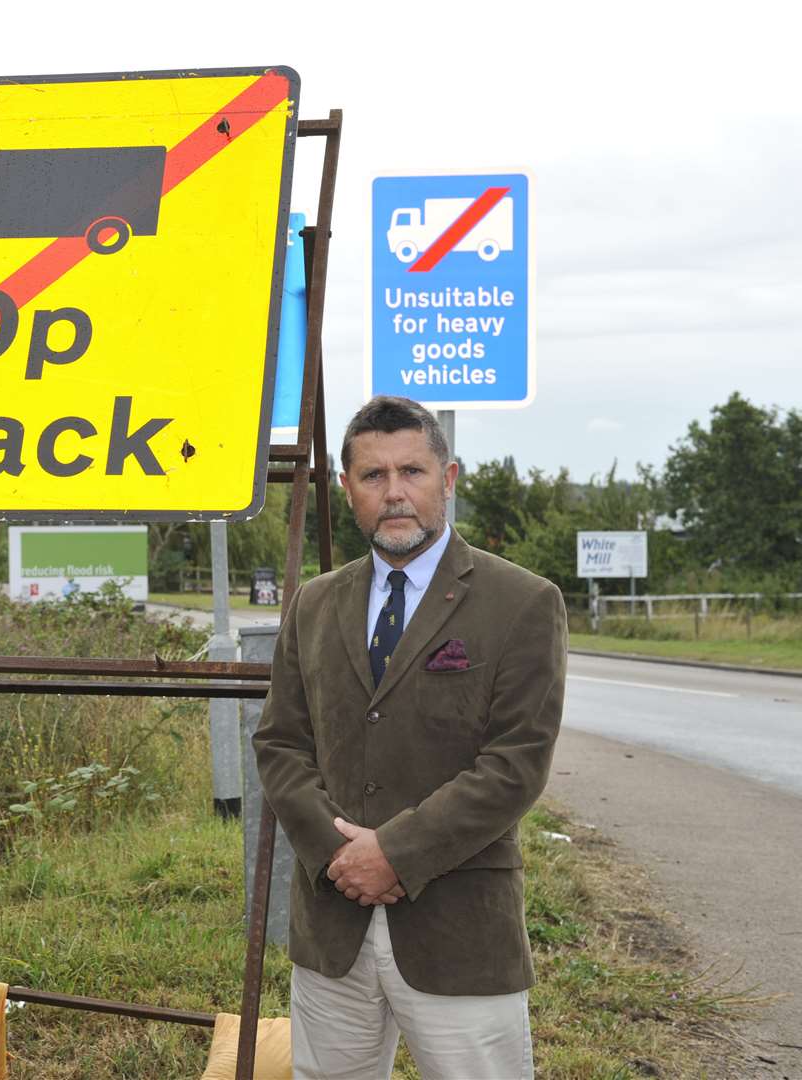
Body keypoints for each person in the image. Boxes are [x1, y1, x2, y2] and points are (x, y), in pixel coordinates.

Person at [252, 396, 567, 1079]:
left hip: (458, 932)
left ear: (447, 479)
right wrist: (342, 855)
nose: (394, 493)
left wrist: (393, 853)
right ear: (346, 490)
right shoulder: (313, 603)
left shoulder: (521, 602)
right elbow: (278, 743)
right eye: (371, 476)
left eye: (412, 472)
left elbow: (515, 764)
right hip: (332, 925)